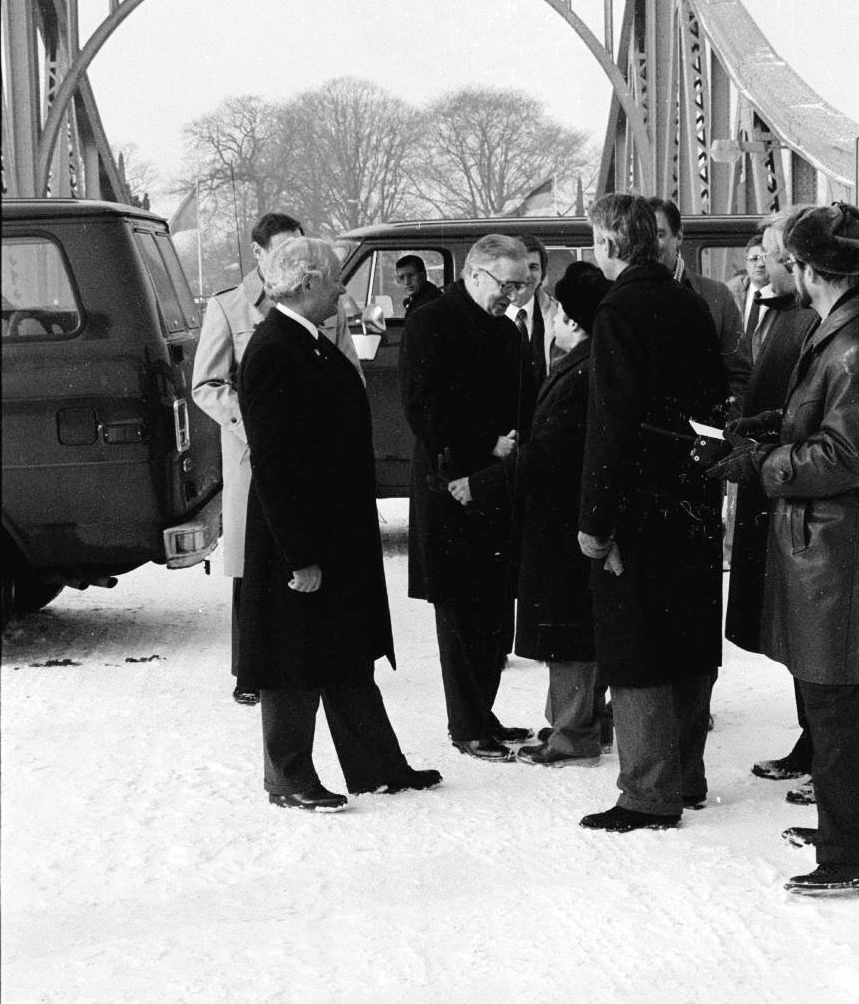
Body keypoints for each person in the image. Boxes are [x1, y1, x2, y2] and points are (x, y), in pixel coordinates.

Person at [707, 202, 859, 895]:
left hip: (832, 545)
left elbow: (843, 457)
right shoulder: (843, 331)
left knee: (832, 699)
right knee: (844, 692)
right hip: (825, 541)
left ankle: (853, 857)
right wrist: (767, 429)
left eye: (789, 259)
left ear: (809, 267)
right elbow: (823, 427)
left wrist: (763, 465)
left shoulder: (857, 345)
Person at [235, 236, 441, 810]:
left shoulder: (307, 343)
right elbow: (275, 463)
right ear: (306, 283)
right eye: (333, 279)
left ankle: (376, 764)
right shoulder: (277, 348)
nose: (342, 289)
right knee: (292, 659)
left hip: (330, 531)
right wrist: (298, 554)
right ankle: (288, 777)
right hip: (299, 536)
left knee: (343, 649)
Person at [577, 193, 729, 832]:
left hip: (638, 502)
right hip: (690, 493)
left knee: (636, 645)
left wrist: (594, 519)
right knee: (689, 641)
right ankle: (686, 779)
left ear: (612, 244)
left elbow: (610, 422)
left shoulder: (620, 309)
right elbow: (714, 403)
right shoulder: (688, 300)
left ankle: (646, 794)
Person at [192, 211, 362, 706]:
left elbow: (346, 368)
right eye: (284, 250)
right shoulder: (229, 307)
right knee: (258, 561)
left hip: (307, 453)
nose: (295, 258)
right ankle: (251, 670)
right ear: (259, 254)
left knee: (303, 556)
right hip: (252, 453)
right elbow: (206, 384)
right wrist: (256, 427)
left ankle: (301, 662)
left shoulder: (325, 302)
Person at [447, 261, 612, 765]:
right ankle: (576, 724)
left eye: (559, 311)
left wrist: (480, 485)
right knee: (573, 630)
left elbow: (547, 457)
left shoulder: (579, 373)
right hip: (561, 519)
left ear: (574, 321)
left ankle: (572, 735)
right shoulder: (585, 365)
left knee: (567, 635)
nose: (552, 318)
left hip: (558, 523)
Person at [399, 234, 537, 760]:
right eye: (508, 285)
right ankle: (467, 725)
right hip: (448, 483)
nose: (514, 296)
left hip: (497, 485)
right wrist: (486, 441)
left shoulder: (505, 331)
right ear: (476, 274)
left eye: (521, 286)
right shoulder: (429, 322)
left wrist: (520, 440)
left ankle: (484, 712)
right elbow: (421, 406)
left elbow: (525, 396)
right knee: (460, 610)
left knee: (495, 609)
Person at [725, 209, 819, 789]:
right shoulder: (784, 313)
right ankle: (813, 744)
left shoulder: (813, 321)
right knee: (795, 635)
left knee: (817, 643)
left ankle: (825, 754)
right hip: (780, 493)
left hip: (799, 499)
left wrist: (763, 453)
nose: (764, 261)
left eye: (771, 250)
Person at [648, 196, 751, 412]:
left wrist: (724, 429)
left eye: (658, 234)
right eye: (642, 235)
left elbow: (739, 376)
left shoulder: (717, 296)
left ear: (679, 235)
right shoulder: (622, 298)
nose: (650, 244)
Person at [504, 233, 559, 390]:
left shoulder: (561, 317)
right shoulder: (484, 318)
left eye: (533, 267)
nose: (526, 275)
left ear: (543, 274)